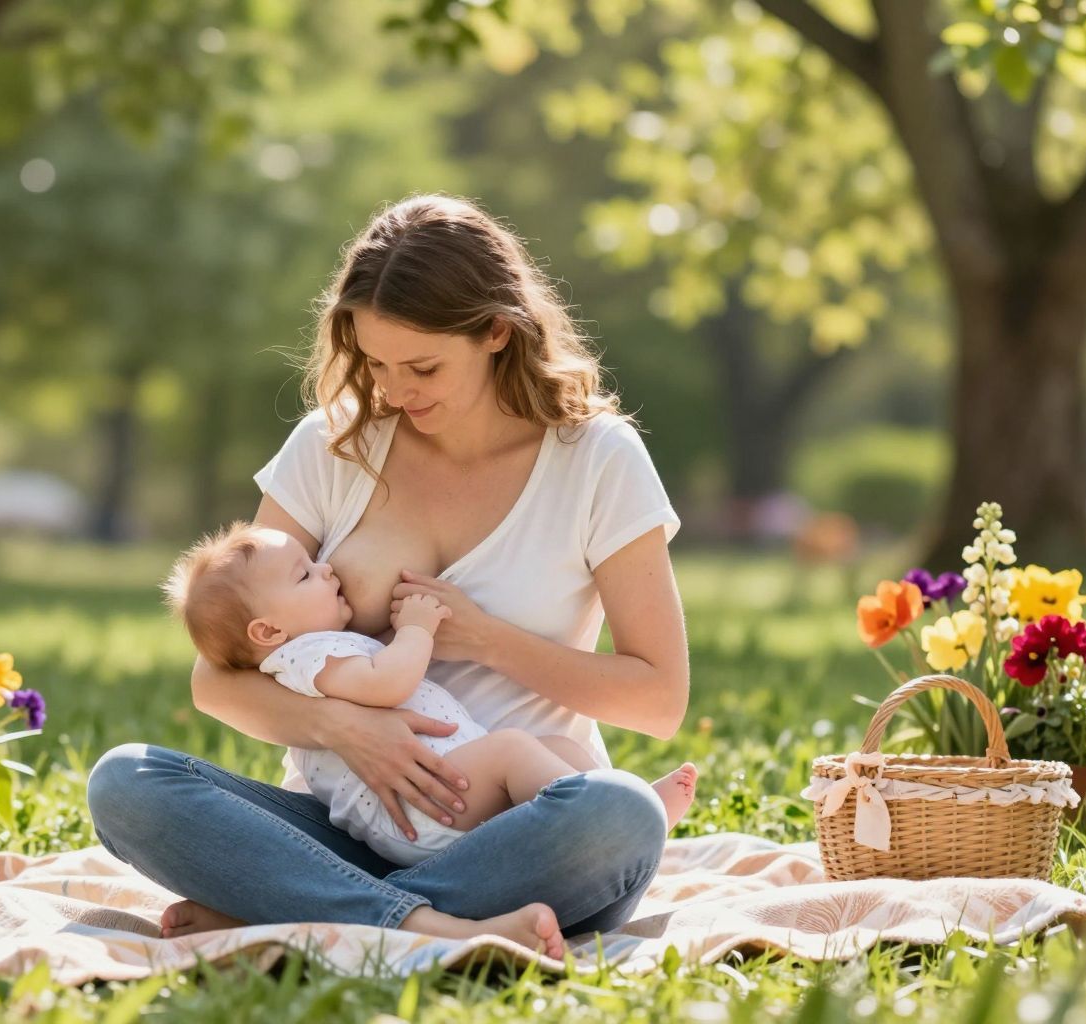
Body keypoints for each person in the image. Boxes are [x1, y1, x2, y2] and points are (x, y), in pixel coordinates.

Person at [88, 194, 690, 958]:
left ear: (498, 331)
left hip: (523, 835)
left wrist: (485, 639)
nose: (396, 390)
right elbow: (218, 679)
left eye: (424, 366)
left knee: (623, 817)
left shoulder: (597, 460)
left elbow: (658, 698)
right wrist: (348, 728)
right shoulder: (331, 447)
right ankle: (426, 926)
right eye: (376, 363)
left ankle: (297, 913)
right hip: (344, 827)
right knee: (126, 783)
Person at [160, 520, 698, 874]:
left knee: (558, 746)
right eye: (306, 574)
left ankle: (614, 804)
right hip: (419, 805)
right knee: (514, 750)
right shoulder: (308, 657)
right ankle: (605, 816)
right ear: (267, 632)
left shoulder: (318, 647)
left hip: (437, 793)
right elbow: (386, 683)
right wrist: (416, 628)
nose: (326, 568)